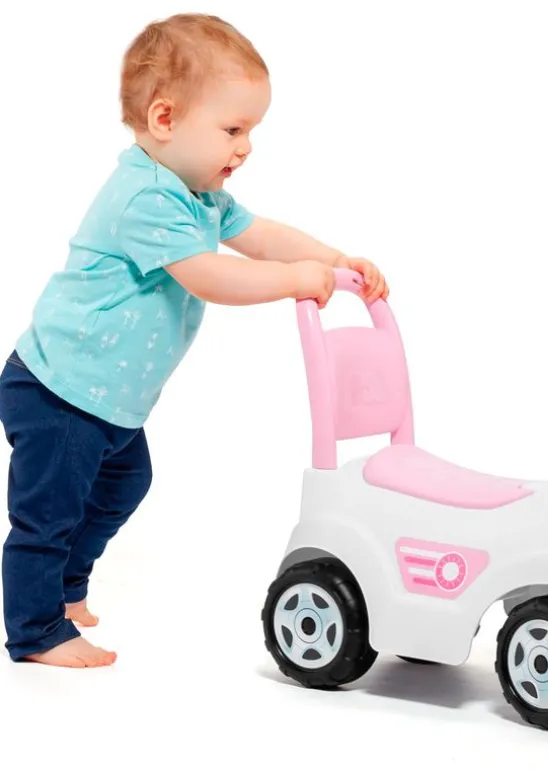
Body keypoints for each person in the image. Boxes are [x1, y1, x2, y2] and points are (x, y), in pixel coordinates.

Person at [0, 12, 388, 668]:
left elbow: (260, 235)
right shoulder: (145, 198)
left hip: (109, 399)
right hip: (60, 389)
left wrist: (333, 260)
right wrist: (293, 281)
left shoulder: (199, 194)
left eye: (252, 131)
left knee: (124, 483)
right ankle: (36, 631)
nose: (246, 147)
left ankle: (64, 590)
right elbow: (208, 276)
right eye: (233, 130)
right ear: (164, 119)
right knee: (49, 511)